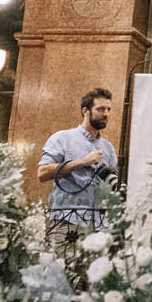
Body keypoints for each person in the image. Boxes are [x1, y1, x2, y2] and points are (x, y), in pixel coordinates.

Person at [38, 87, 118, 236]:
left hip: (99, 227)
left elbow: (113, 188)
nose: (106, 114)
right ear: (85, 111)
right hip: (68, 222)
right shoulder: (62, 138)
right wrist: (83, 161)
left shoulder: (109, 148)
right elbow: (42, 173)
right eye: (100, 109)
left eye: (108, 109)